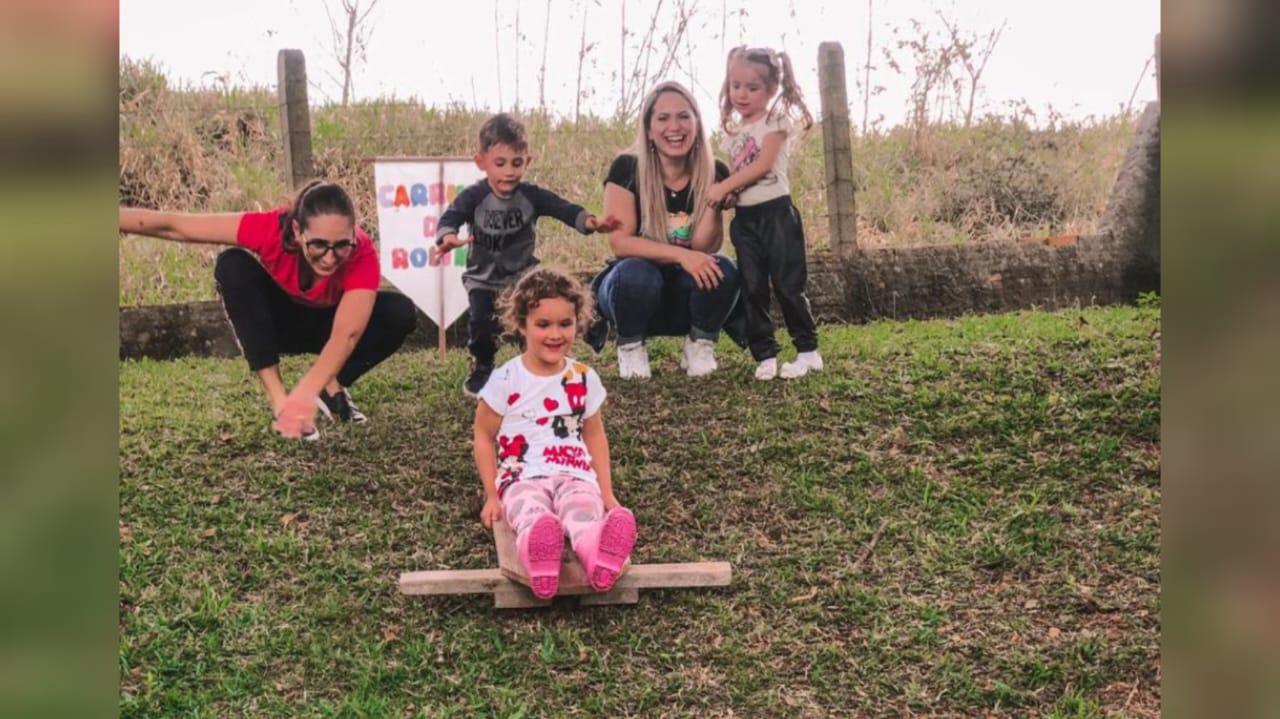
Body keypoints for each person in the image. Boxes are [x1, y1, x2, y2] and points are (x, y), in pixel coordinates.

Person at [118, 180, 418, 440]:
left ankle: (332, 385)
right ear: (298, 230)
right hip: (279, 325)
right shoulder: (270, 229)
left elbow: (347, 334)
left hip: (329, 328)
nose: (329, 258)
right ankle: (278, 400)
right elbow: (176, 227)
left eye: (341, 245)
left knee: (399, 311)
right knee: (232, 265)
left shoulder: (362, 253)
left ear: (354, 234)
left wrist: (307, 392)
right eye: (318, 245)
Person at [473, 268, 637, 599]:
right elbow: (483, 437)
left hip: (574, 473)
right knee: (530, 510)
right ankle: (539, 556)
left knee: (583, 510)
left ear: (578, 322)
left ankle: (596, 552)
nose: (555, 334)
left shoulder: (583, 377)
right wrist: (492, 494)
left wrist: (605, 492)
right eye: (543, 324)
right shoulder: (505, 379)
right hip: (521, 476)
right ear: (522, 325)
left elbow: (595, 437)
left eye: (565, 323)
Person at [430, 113, 618, 396]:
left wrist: (591, 222)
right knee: (482, 325)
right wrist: (447, 237)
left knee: (547, 310)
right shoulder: (474, 196)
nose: (509, 172)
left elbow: (562, 208)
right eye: (500, 163)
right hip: (483, 278)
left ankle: (585, 331)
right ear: (481, 162)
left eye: (517, 163)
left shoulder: (531, 195)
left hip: (523, 275)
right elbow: (451, 216)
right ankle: (482, 366)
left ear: (527, 162)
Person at [591, 81, 742, 380]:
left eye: (684, 116)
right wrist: (681, 256)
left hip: (683, 297)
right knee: (634, 273)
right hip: (633, 293)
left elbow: (703, 246)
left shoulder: (716, 172)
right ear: (648, 129)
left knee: (722, 267)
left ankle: (700, 343)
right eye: (663, 118)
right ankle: (631, 346)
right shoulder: (626, 168)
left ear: (697, 123)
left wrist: (712, 204)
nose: (675, 126)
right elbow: (620, 244)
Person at [705, 45, 823, 381]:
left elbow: (762, 165)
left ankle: (808, 351)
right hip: (745, 221)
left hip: (777, 216)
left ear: (771, 90)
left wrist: (723, 187)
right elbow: (739, 178)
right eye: (735, 86)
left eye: (752, 88)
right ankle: (765, 354)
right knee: (752, 286)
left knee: (788, 286)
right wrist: (728, 197)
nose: (741, 94)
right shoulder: (734, 134)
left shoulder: (775, 122)